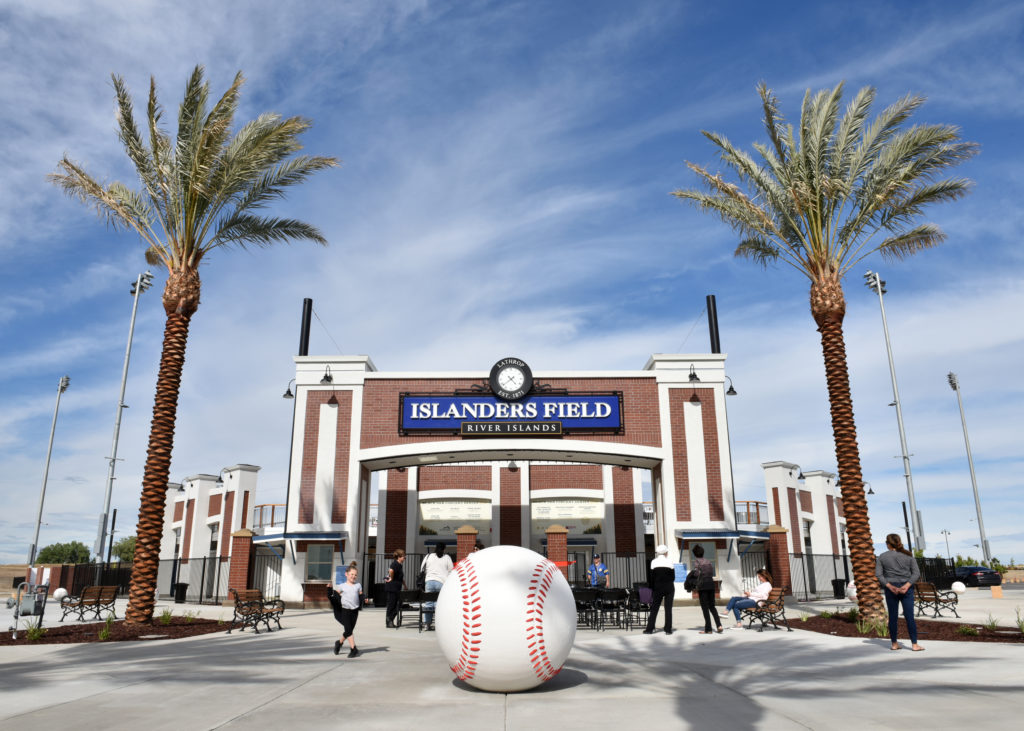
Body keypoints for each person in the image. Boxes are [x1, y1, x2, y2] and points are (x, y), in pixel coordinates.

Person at [876, 533, 923, 651]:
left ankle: (894, 644)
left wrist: (889, 586)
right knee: (909, 617)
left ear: (888, 544)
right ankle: (914, 645)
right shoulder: (908, 555)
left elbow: (879, 575)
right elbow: (916, 573)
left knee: (893, 617)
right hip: (906, 588)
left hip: (891, 589)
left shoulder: (882, 557)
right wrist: (907, 586)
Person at [327, 563, 363, 658]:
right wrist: (330, 589)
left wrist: (364, 599)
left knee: (349, 630)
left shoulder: (358, 585)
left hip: (355, 611)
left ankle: (339, 643)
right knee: (348, 630)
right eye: (352, 574)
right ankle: (353, 649)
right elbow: (335, 596)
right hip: (345, 610)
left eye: (355, 575)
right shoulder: (342, 586)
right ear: (346, 574)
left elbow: (361, 596)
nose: (354, 576)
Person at [420, 542, 453, 629]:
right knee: (439, 604)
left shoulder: (428, 556)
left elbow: (422, 569)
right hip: (441, 582)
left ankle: (427, 624)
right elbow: (451, 571)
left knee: (428, 603)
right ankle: (439, 624)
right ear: (444, 549)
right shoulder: (447, 558)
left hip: (429, 581)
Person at [643, 544, 675, 635]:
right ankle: (668, 629)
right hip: (669, 587)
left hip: (657, 588)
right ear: (665, 552)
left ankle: (649, 629)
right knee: (668, 609)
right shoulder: (670, 562)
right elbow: (673, 577)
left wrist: (652, 588)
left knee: (654, 608)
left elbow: (651, 578)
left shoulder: (653, 562)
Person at [692, 544, 722, 634]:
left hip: (703, 585)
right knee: (712, 606)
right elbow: (711, 572)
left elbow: (697, 574)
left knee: (705, 607)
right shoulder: (708, 561)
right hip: (711, 584)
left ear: (695, 554)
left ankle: (708, 629)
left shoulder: (697, 562)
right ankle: (719, 625)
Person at [384, 548, 406, 628]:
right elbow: (391, 571)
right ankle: (389, 621)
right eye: (403, 556)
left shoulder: (400, 565)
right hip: (392, 588)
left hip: (397, 587)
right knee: (392, 605)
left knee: (399, 603)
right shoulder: (395, 564)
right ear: (399, 557)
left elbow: (400, 577)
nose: (405, 558)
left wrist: (405, 585)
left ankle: (390, 620)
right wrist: (392, 578)